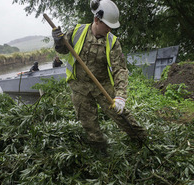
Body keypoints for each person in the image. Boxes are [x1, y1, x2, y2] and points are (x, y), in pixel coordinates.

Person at [52, 0, 146, 153]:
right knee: (89, 123)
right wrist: (57, 41)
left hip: (102, 86)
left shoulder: (112, 42)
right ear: (97, 19)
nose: (109, 29)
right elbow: (63, 49)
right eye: (107, 25)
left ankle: (141, 139)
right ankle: (101, 151)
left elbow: (120, 70)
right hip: (79, 86)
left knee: (122, 116)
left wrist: (121, 96)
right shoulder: (76, 31)